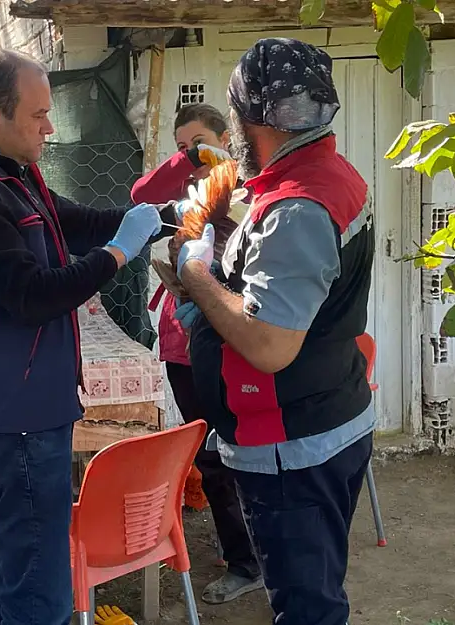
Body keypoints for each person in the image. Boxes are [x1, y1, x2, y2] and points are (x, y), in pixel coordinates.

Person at [0, 50, 172, 625]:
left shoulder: (10, 172)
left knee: (15, 572)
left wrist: (153, 215)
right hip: (13, 421)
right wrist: (120, 252)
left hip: (35, 409)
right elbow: (30, 297)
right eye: (37, 115)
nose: (49, 128)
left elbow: (70, 222)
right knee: (42, 594)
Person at [174, 38, 376, 625]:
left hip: (293, 446)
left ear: (247, 117)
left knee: (307, 606)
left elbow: (268, 344)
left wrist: (196, 274)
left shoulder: (295, 208)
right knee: (317, 586)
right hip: (327, 417)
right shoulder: (327, 175)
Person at [130, 103, 263, 604]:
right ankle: (242, 553)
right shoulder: (186, 189)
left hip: (229, 343)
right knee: (208, 454)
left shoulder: (245, 191)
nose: (194, 154)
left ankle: (252, 560)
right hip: (181, 342)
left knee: (231, 452)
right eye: (185, 146)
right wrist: (190, 164)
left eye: (202, 142)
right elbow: (141, 195)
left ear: (226, 138)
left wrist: (222, 167)